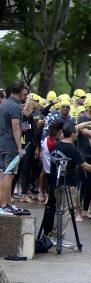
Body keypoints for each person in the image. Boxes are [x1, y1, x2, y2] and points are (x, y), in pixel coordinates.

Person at [41, 122, 91, 239]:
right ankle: (57, 235)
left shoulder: (56, 145)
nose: (77, 134)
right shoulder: (72, 149)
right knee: (65, 211)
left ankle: (51, 232)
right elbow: (85, 165)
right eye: (76, 132)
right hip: (68, 183)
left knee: (57, 208)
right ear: (72, 134)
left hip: (55, 183)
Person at [0, 80, 30, 215]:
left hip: (2, 143)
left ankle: (5, 204)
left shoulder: (4, 104)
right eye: (25, 90)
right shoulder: (15, 106)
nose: (26, 92)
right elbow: (16, 127)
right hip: (11, 145)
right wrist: (19, 148)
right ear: (20, 90)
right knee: (9, 175)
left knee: (4, 174)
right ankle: (5, 205)